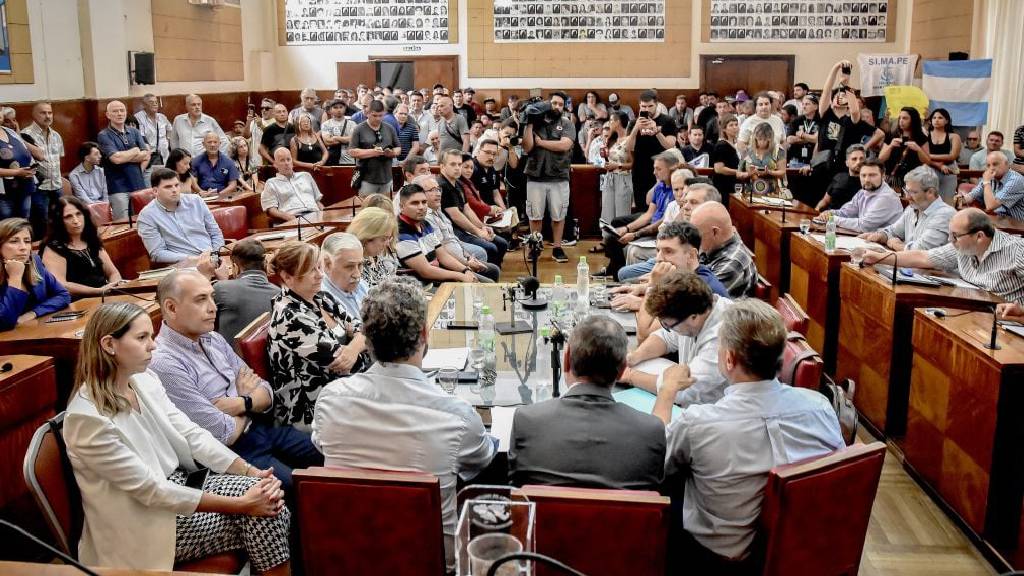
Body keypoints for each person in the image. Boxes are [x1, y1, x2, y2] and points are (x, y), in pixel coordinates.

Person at [64, 301, 291, 574]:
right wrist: (241, 505)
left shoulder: (144, 379)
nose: (153, 345)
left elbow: (192, 433)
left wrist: (251, 472)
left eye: (151, 335)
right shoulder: (86, 418)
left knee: (269, 501)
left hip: (180, 489)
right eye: (142, 338)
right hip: (142, 524)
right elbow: (150, 490)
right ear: (109, 344)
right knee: (268, 514)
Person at [312, 279, 496, 570]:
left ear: (366, 339)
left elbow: (320, 444)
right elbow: (484, 460)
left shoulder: (330, 400)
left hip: (346, 558)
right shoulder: (457, 416)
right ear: (424, 334)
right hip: (429, 562)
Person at [657, 298, 843, 568]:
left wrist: (666, 392)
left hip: (715, 562)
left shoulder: (699, 423)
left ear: (729, 358)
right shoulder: (820, 408)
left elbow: (654, 460)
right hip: (807, 553)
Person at [151, 270, 323, 493]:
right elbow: (224, 433)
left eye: (212, 297)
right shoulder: (164, 363)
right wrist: (249, 400)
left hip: (263, 429)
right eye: (201, 300)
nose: (213, 307)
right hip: (232, 454)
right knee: (297, 488)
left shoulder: (213, 338)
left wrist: (241, 402)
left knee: (331, 451)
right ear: (171, 308)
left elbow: (267, 392)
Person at [509, 315, 665, 489]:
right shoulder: (652, 432)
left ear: (566, 360)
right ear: (622, 370)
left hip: (547, 517)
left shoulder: (526, 421)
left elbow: (516, 490)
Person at [268, 241, 367, 432]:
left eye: (319, 267)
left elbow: (363, 328)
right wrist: (360, 344)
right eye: (311, 270)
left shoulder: (322, 296)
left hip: (345, 392)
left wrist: (354, 348)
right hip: (311, 411)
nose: (320, 275)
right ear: (287, 277)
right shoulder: (289, 317)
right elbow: (349, 365)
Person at [862, 208, 1024, 303]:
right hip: (971, 311)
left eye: (955, 236)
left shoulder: (1017, 251)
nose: (950, 240)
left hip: (1007, 324)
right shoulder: (963, 245)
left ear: (979, 236)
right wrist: (879, 257)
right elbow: (923, 257)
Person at [622, 270, 731, 403]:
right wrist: (634, 357)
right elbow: (666, 337)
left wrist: (630, 376)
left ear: (694, 317)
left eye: (668, 325)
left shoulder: (722, 337)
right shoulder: (692, 309)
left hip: (715, 411)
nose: (666, 328)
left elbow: (682, 389)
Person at [617, 182, 722, 281]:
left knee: (628, 273)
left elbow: (696, 282)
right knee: (623, 275)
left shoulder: (711, 236)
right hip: (675, 265)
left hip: (679, 271)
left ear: (710, 206)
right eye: (685, 202)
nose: (685, 207)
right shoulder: (679, 212)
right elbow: (665, 232)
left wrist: (652, 286)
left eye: (693, 202)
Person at [599, 150, 679, 278]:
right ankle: (615, 273)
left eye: (658, 169)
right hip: (652, 227)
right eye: (654, 168)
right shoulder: (660, 187)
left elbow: (663, 221)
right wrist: (627, 228)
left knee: (622, 243)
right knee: (613, 237)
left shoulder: (677, 190)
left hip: (660, 231)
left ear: (672, 169)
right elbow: (649, 214)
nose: (654, 173)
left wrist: (635, 233)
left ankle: (621, 276)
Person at [137, 168, 226, 270]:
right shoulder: (147, 216)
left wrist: (214, 254)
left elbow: (215, 233)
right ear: (155, 191)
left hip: (213, 257)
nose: (174, 190)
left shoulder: (196, 201)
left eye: (176, 185)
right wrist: (191, 259)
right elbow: (157, 253)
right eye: (168, 187)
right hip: (183, 266)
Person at [523, 92, 576, 263]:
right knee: (535, 215)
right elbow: (527, 147)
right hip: (535, 175)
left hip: (559, 175)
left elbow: (564, 145)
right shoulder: (535, 123)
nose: (557, 107)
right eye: (554, 103)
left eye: (561, 104)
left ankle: (557, 248)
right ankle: (535, 246)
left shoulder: (566, 123)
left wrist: (541, 143)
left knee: (558, 215)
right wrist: (529, 124)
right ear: (547, 104)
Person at [419, 175, 499, 282]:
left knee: (494, 270)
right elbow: (443, 252)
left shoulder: (438, 210)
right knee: (489, 280)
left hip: (461, 259)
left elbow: (454, 239)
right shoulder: (426, 218)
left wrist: (469, 257)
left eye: (438, 189)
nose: (438, 193)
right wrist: (466, 265)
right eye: (432, 190)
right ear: (421, 194)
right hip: (450, 265)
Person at [395, 182, 478, 284]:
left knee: (483, 282)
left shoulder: (425, 224)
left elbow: (443, 256)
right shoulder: (401, 232)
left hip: (436, 279)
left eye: (424, 202)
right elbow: (426, 271)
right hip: (419, 286)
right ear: (402, 206)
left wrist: (466, 270)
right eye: (415, 203)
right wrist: (461, 276)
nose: (421, 207)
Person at [40, 196, 122, 298]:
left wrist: (113, 285)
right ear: (59, 221)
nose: (76, 220)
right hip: (77, 304)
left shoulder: (91, 240)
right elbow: (60, 284)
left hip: (104, 296)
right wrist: (98, 291)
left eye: (78, 214)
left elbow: (113, 272)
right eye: (68, 217)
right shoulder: (53, 248)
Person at [860, 165, 956, 251]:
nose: (907, 197)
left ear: (930, 192)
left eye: (913, 192)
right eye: (906, 191)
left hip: (934, 270)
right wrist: (880, 236)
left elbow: (920, 251)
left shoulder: (945, 215)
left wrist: (895, 244)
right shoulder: (912, 208)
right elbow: (893, 231)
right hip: (911, 268)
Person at [438, 149, 507, 266]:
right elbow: (456, 216)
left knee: (502, 243)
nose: (457, 168)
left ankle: (494, 274)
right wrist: (478, 232)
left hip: (462, 229)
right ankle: (485, 278)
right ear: (442, 166)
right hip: (452, 232)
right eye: (453, 164)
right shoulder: (442, 186)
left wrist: (482, 227)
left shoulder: (459, 183)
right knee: (491, 248)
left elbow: (467, 209)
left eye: (459, 164)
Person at [0, 217, 70, 329]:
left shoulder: (35, 261)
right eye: (14, 241)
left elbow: (63, 295)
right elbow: (4, 322)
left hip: (35, 332)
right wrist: (15, 278)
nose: (23, 248)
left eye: (27, 241)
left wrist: (33, 313)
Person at [213, 238, 280, 346]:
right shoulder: (279, 293)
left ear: (234, 267)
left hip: (230, 360)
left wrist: (222, 282)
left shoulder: (221, 288)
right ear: (265, 263)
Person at [690, 202, 757, 298]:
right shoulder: (713, 247)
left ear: (715, 232)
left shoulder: (733, 262)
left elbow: (697, 300)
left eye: (698, 235)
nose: (694, 239)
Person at [625, 90, 678, 211]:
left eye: (650, 106)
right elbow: (628, 147)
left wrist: (656, 131)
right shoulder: (634, 122)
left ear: (657, 104)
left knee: (661, 207)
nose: (647, 109)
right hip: (639, 170)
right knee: (642, 206)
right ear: (639, 106)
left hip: (662, 169)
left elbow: (670, 145)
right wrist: (636, 128)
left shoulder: (667, 120)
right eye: (644, 106)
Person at [818, 158, 903, 232]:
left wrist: (832, 219)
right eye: (863, 175)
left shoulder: (887, 197)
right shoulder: (862, 192)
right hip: (866, 240)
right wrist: (830, 213)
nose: (867, 179)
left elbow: (863, 226)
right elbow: (846, 213)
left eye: (872, 175)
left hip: (884, 246)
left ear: (883, 175)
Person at [98, 100, 150, 220]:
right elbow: (116, 159)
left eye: (122, 110)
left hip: (138, 184)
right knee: (122, 224)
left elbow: (146, 155)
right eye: (115, 111)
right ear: (108, 115)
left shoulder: (134, 132)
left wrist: (124, 156)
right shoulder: (104, 135)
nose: (119, 114)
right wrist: (135, 151)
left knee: (143, 220)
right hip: (118, 187)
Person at [21, 102, 64, 239]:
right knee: (41, 225)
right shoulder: (25, 135)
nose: (47, 116)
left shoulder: (56, 135)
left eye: (50, 113)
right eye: (43, 113)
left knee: (60, 222)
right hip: (39, 188)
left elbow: (58, 160)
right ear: (34, 115)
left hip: (57, 186)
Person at [350, 100, 401, 197]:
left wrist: (392, 153)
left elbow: (398, 148)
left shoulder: (389, 128)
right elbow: (352, 151)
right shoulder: (359, 129)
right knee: (367, 209)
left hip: (387, 177)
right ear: (367, 113)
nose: (378, 118)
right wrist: (373, 152)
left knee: (386, 209)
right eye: (374, 115)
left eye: (381, 115)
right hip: (367, 179)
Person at [261, 147, 324, 223]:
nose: (286, 163)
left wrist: (325, 214)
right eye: (282, 160)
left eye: (288, 159)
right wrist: (290, 218)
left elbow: (317, 201)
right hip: (295, 218)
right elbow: (271, 210)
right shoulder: (271, 183)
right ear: (276, 164)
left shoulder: (306, 176)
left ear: (292, 162)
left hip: (316, 215)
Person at [960, 151, 1024, 221]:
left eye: (995, 164)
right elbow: (971, 196)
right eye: (988, 165)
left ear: (1007, 164)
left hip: (1017, 225)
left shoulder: (1015, 180)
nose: (991, 168)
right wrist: (959, 199)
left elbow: (991, 206)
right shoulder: (990, 177)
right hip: (999, 220)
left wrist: (987, 182)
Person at [319, 232, 369, 321]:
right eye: (349, 267)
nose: (357, 274)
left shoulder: (361, 284)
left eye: (360, 265)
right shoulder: (322, 301)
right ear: (327, 264)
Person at [878, 107, 930, 190]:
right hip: (892, 179)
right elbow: (880, 159)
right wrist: (891, 146)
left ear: (913, 120)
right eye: (900, 118)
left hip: (912, 181)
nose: (901, 121)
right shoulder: (892, 136)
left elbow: (927, 161)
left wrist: (918, 149)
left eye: (905, 118)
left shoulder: (921, 138)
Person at [347, 206, 399, 288]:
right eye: (383, 239)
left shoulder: (374, 256)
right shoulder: (353, 265)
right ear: (366, 237)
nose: (387, 244)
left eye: (389, 238)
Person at [601, 111, 634, 225]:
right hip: (609, 177)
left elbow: (633, 164)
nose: (609, 123)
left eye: (611, 120)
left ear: (618, 122)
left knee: (622, 212)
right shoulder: (611, 139)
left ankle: (621, 239)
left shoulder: (629, 139)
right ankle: (607, 239)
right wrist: (607, 164)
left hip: (623, 178)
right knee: (607, 210)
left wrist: (618, 166)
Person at [0, 116, 36, 219]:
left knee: (24, 221)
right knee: (7, 224)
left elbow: (28, 154)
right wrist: (16, 172)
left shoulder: (10, 132)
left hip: (25, 187)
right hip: (4, 193)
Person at [739, 122, 786, 196]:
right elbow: (739, 173)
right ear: (755, 137)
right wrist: (750, 173)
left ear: (770, 138)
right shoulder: (747, 151)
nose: (762, 142)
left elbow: (782, 172)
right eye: (759, 139)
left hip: (772, 192)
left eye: (765, 139)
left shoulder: (778, 150)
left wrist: (769, 172)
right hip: (750, 191)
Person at [924, 108, 961, 203]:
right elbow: (920, 155)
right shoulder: (925, 135)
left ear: (947, 121)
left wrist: (929, 156)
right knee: (928, 201)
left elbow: (952, 156)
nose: (936, 120)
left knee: (947, 201)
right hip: (929, 169)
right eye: (934, 117)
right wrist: (938, 164)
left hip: (949, 170)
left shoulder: (954, 136)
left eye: (940, 117)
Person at [815, 144, 865, 211]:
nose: (858, 162)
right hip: (830, 217)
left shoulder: (868, 182)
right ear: (847, 163)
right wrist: (816, 211)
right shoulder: (839, 177)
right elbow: (825, 200)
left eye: (861, 159)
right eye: (854, 159)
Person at [711, 114, 747, 207]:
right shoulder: (721, 145)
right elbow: (719, 169)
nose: (735, 127)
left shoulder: (735, 144)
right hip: (724, 187)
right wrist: (738, 172)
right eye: (731, 125)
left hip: (734, 185)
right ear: (724, 129)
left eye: (736, 124)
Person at [135, 93, 173, 174]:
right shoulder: (138, 118)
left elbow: (170, 129)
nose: (155, 104)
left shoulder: (162, 117)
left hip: (164, 155)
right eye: (151, 102)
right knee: (150, 179)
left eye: (156, 102)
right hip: (149, 157)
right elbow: (140, 136)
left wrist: (167, 140)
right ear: (144, 105)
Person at [191, 133, 238, 197]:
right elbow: (193, 182)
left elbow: (233, 185)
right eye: (209, 142)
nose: (212, 145)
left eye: (215, 142)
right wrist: (201, 192)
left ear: (220, 144)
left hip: (223, 197)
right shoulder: (195, 161)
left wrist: (219, 194)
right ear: (203, 144)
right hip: (202, 198)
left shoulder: (229, 162)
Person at [320, 99, 355, 166]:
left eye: (341, 107)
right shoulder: (326, 124)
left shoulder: (352, 124)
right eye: (335, 107)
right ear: (330, 110)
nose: (339, 110)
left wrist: (335, 137)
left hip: (349, 159)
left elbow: (353, 140)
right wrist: (345, 139)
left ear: (345, 108)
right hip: (332, 159)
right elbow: (327, 141)